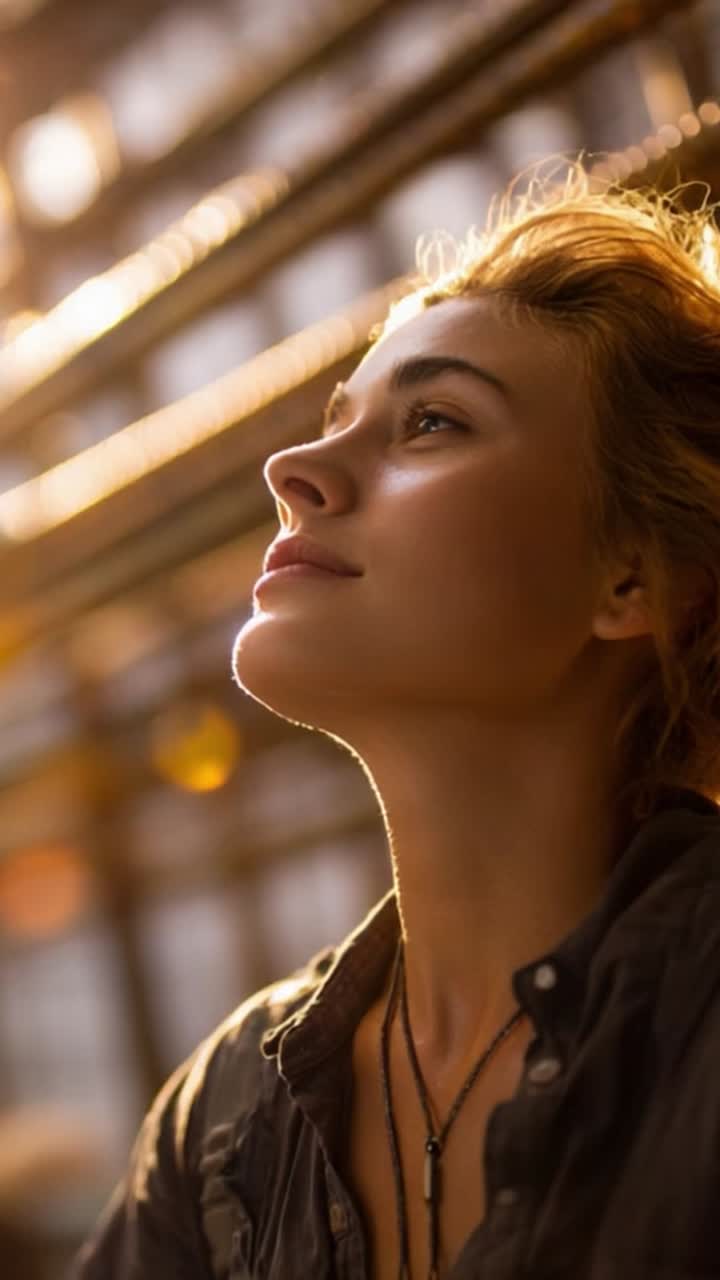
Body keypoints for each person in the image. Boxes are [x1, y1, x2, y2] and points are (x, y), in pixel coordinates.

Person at [75, 164, 720, 1280]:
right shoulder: (224, 1119)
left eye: (431, 421)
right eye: (337, 419)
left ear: (635, 576)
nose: (292, 468)